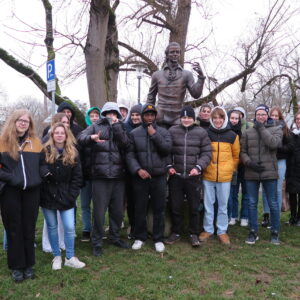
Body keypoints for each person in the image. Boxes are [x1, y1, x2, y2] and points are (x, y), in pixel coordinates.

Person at [77, 102, 130, 257]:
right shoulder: (95, 126)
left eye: (114, 113)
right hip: (100, 176)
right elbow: (80, 138)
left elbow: (126, 145)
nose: (111, 115)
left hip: (118, 176)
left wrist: (117, 128)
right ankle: (97, 242)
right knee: (99, 212)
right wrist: (91, 138)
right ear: (104, 113)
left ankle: (115, 237)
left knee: (117, 212)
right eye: (109, 112)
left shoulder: (121, 127)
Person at [0, 109, 45, 282]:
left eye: (26, 121)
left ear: (30, 124)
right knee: (14, 228)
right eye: (20, 120)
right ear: (14, 121)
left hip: (32, 192)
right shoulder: (3, 142)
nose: (23, 123)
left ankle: (29, 265)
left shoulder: (35, 142)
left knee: (28, 227)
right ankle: (17, 266)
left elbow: (42, 164)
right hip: (10, 190)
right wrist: (12, 179)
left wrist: (41, 176)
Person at [126, 104, 172, 252]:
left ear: (155, 116)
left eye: (152, 115)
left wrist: (154, 134)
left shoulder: (163, 132)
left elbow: (166, 150)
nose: (149, 117)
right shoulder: (134, 133)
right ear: (142, 116)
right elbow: (129, 155)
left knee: (159, 208)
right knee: (140, 208)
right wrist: (138, 170)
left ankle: (158, 238)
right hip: (141, 177)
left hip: (159, 177)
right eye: (147, 115)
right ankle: (140, 237)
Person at [41, 122, 85, 270]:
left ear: (66, 135)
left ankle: (70, 257)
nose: (59, 135)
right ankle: (56, 256)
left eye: (62, 133)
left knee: (69, 227)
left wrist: (72, 195)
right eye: (56, 132)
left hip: (67, 196)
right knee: (52, 227)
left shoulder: (73, 152)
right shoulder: (44, 152)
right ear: (52, 135)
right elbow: (39, 170)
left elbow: (78, 177)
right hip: (48, 196)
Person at [165, 106, 212, 247]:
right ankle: (176, 232)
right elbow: (166, 151)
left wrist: (198, 167)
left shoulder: (201, 132)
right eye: (184, 117)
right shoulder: (172, 131)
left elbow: (207, 153)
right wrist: (169, 166)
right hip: (176, 176)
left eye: (189, 117)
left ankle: (193, 233)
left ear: (193, 118)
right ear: (180, 118)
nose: (186, 120)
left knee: (194, 207)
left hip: (193, 177)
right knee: (175, 205)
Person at [240, 104, 283, 245]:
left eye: (263, 114)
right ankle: (253, 231)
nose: (260, 116)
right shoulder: (247, 132)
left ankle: (275, 232)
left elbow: (273, 144)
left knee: (273, 204)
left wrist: (261, 128)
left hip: (269, 172)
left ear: (267, 115)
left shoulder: (277, 129)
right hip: (252, 172)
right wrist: (249, 163)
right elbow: (242, 152)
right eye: (258, 114)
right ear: (255, 115)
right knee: (252, 203)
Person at [199, 107, 240, 245]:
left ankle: (222, 231)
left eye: (220, 117)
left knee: (223, 205)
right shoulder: (205, 133)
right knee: (208, 204)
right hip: (208, 175)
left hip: (225, 176)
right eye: (215, 117)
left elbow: (236, 156)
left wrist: (230, 169)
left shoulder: (232, 136)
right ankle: (208, 230)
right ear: (211, 119)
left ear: (224, 119)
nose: (217, 120)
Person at [147, 42, 205, 128]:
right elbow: (151, 96)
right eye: (172, 52)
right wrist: (149, 115)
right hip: (160, 117)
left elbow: (196, 94)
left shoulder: (187, 74)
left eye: (177, 52)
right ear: (167, 54)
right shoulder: (157, 75)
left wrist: (200, 77)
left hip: (178, 117)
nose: (175, 54)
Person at [261, 107, 292, 226]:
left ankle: (276, 216)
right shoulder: (265, 127)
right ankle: (266, 215)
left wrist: (277, 147)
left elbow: (290, 147)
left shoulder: (285, 130)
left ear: (280, 117)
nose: (274, 118)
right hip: (267, 161)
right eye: (272, 115)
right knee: (265, 189)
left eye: (276, 116)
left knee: (278, 190)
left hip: (280, 161)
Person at [80, 106, 101, 242]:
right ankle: (87, 229)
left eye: (96, 115)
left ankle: (97, 228)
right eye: (92, 115)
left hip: (99, 176)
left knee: (98, 204)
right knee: (85, 204)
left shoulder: (104, 132)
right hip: (85, 175)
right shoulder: (83, 133)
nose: (94, 118)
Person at [123, 104, 143, 239]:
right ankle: (133, 225)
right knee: (131, 201)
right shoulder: (126, 128)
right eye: (133, 115)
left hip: (144, 169)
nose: (135, 117)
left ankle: (142, 226)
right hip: (130, 170)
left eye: (137, 115)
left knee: (141, 201)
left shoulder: (147, 129)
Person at [227, 110, 249, 227]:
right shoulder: (226, 130)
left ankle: (245, 216)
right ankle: (233, 215)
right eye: (233, 118)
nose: (234, 120)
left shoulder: (245, 131)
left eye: (237, 118)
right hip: (233, 165)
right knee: (233, 192)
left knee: (246, 192)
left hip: (244, 165)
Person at [286, 111, 300, 225]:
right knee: (292, 194)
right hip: (292, 168)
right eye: (298, 119)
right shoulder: (291, 134)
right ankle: (293, 217)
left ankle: (299, 218)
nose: (299, 121)